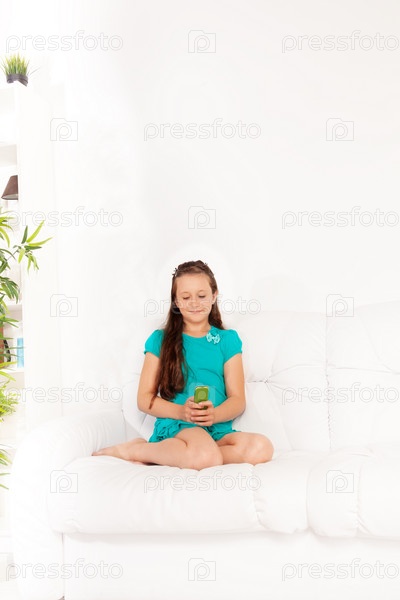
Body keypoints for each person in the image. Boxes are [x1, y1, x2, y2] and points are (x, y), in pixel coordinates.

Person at [93, 260, 274, 469]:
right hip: (178, 425)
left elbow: (237, 400)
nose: (194, 303)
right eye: (186, 297)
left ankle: (191, 454)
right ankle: (137, 449)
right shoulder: (160, 340)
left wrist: (214, 415)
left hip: (215, 428)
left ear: (214, 295)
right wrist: (182, 412)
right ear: (176, 301)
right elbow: (144, 399)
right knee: (206, 455)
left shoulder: (228, 340)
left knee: (262, 447)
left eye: (202, 296)